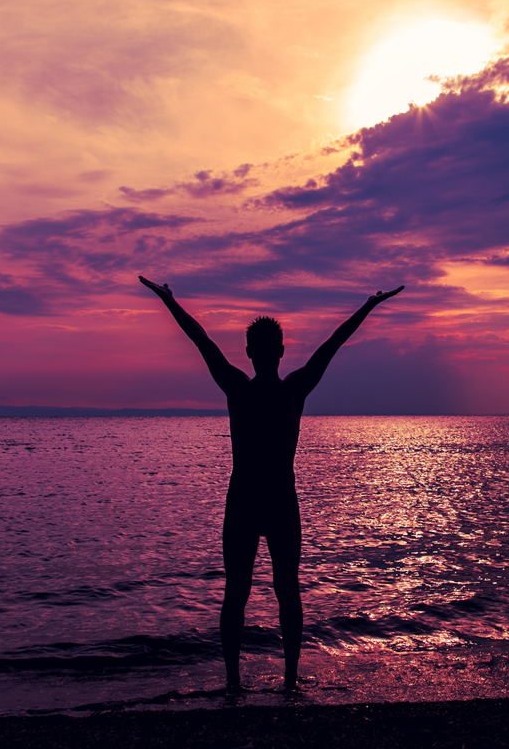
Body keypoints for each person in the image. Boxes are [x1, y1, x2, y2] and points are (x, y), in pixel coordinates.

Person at [138, 276, 404, 691]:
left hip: (254, 500)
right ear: (278, 352)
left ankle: (243, 683)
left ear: (252, 352)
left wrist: (170, 300)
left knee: (248, 592)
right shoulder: (286, 389)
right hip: (268, 500)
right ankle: (284, 680)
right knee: (276, 591)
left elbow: (201, 340)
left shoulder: (242, 388)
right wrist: (369, 306)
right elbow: (332, 344)